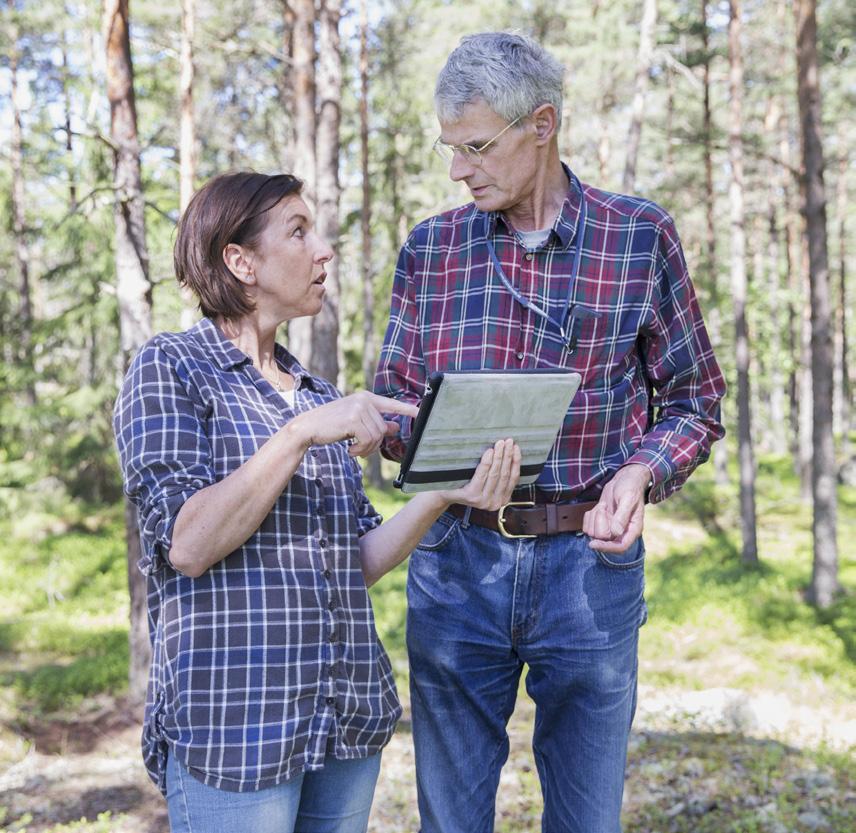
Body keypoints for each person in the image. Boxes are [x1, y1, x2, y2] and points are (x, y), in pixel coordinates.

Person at [374, 32, 726, 833]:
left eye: (475, 147)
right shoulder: (431, 249)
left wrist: (640, 473)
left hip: (588, 572)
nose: (458, 170)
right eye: (449, 148)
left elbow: (696, 399)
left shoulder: (638, 236)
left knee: (587, 822)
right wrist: (435, 456)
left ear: (542, 124)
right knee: (451, 823)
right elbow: (394, 404)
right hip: (454, 566)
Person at [112, 171, 521, 833]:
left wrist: (442, 493)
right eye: (298, 232)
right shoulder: (171, 367)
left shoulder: (315, 389)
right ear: (240, 261)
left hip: (341, 720)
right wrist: (300, 433)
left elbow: (353, 560)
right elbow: (187, 543)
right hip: (236, 734)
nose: (323, 249)